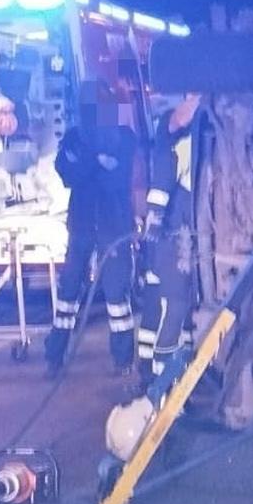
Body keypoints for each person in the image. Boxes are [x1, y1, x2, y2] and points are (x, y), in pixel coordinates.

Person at [45, 121, 137, 376]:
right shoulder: (75, 136)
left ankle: (123, 361)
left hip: (113, 228)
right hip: (82, 226)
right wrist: (97, 161)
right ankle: (54, 356)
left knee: (117, 295)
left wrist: (85, 162)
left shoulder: (124, 138)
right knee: (69, 291)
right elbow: (67, 174)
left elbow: (117, 179)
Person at [136, 94, 201, 387]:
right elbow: (161, 186)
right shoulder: (178, 140)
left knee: (172, 309)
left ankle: (165, 377)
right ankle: (162, 385)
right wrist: (155, 217)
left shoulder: (191, 142)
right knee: (173, 308)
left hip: (178, 241)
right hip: (172, 241)